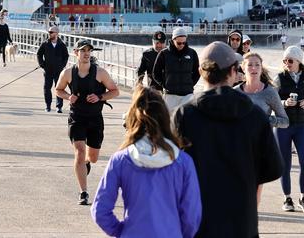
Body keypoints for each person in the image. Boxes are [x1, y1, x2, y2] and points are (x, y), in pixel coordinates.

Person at [174, 41, 283, 237]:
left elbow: (169, 170)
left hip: (197, 222)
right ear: (234, 71)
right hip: (242, 222)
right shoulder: (256, 116)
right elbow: (273, 168)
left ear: (200, 71)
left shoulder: (184, 115)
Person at [92, 84, 201, 238]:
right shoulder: (183, 162)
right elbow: (192, 215)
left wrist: (121, 231)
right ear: (164, 117)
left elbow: (100, 210)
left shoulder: (120, 160)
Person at [55, 39, 119, 205]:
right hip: (77, 117)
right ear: (76, 52)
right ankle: (83, 192)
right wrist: (69, 96)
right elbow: (58, 89)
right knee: (80, 151)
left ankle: (86, 164)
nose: (86, 53)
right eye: (83, 50)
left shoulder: (100, 73)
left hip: (95, 119)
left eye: (89, 51)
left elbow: (115, 91)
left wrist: (99, 97)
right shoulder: (68, 73)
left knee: (93, 157)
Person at [235, 52, 289, 205]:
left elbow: (285, 121)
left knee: (257, 187)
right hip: (238, 146)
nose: (254, 68)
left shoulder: (270, 92)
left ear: (261, 68)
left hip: (260, 145)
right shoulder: (235, 92)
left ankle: (252, 220)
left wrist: (265, 120)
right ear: (243, 68)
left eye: (257, 64)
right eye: (250, 65)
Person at [274, 46, 304, 214]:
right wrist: (285, 102)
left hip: (301, 126)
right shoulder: (279, 78)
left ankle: (303, 197)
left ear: (299, 61)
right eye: (284, 60)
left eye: (290, 60)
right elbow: (272, 99)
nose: (287, 63)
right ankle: (287, 198)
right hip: (283, 126)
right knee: (285, 164)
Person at [152, 27, 200, 113]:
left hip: (187, 95)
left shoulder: (192, 53)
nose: (182, 45)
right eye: (179, 43)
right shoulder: (164, 54)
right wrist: (165, 85)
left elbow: (197, 72)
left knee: (188, 122)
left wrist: (190, 84)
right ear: (173, 40)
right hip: (170, 95)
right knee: (169, 122)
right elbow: (155, 73)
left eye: (184, 43)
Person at [37, 26, 69, 113]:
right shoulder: (45, 43)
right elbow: (39, 54)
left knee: (59, 88)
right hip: (48, 70)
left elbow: (66, 56)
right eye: (49, 32)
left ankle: (59, 107)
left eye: (51, 32)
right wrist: (42, 64)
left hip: (59, 71)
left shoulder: (61, 44)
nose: (49, 34)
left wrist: (62, 65)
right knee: (47, 88)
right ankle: (48, 106)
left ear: (57, 33)